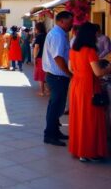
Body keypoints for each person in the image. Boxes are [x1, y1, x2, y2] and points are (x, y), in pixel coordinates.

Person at [68, 22, 111, 162]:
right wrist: (109, 68)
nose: (97, 37)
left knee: (79, 118)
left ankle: (80, 150)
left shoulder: (73, 50)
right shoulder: (90, 51)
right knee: (90, 119)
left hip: (76, 85)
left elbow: (71, 68)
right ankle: (89, 151)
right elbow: (98, 72)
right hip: (88, 86)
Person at [42, 11, 73, 146]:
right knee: (55, 107)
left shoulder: (58, 33)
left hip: (55, 76)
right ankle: (50, 135)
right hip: (58, 77)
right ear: (61, 21)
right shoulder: (58, 35)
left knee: (55, 106)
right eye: (69, 22)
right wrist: (68, 73)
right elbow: (58, 57)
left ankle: (55, 131)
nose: (71, 25)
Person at [33, 22, 47, 96]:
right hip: (48, 57)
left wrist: (35, 57)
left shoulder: (39, 36)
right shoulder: (47, 35)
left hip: (40, 57)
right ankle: (48, 90)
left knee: (40, 75)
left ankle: (42, 91)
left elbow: (36, 47)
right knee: (46, 74)